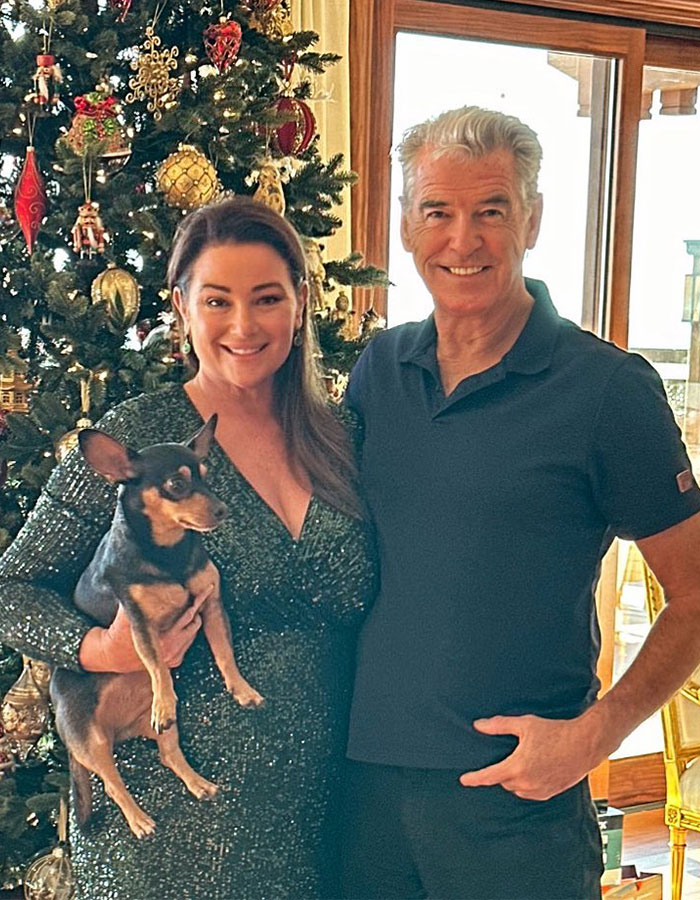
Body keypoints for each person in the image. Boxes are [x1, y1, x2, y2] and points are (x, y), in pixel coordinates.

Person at [340, 105, 700, 900]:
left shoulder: (608, 390)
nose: (462, 241)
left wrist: (598, 734)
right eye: (438, 211)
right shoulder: (379, 368)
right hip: (361, 795)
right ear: (406, 226)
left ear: (531, 220)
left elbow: (697, 594)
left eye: (491, 211)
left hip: (519, 808)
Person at [0, 196, 376, 900]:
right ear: (181, 306)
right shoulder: (142, 436)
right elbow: (9, 589)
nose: (243, 326)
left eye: (267, 298)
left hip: (321, 815)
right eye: (217, 300)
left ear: (301, 299)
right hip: (168, 821)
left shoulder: (344, 437)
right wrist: (95, 651)